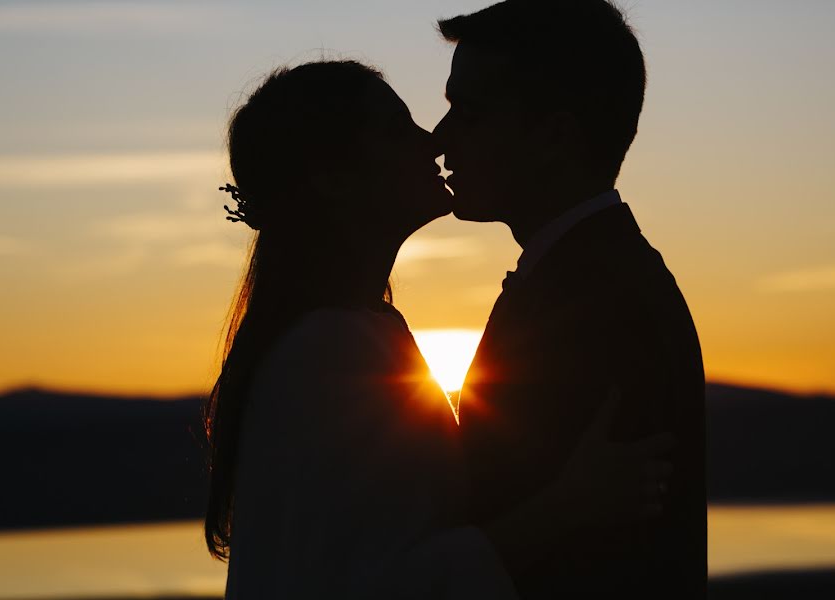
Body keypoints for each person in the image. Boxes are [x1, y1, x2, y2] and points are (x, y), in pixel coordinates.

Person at [203, 60, 674, 598]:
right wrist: (565, 507)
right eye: (397, 130)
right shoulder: (329, 351)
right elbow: (374, 586)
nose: (432, 142)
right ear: (333, 178)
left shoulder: (350, 335)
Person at [433, 1, 708, 597]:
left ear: (553, 137)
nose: (440, 137)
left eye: (468, 111)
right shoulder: (588, 278)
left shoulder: (601, 303)